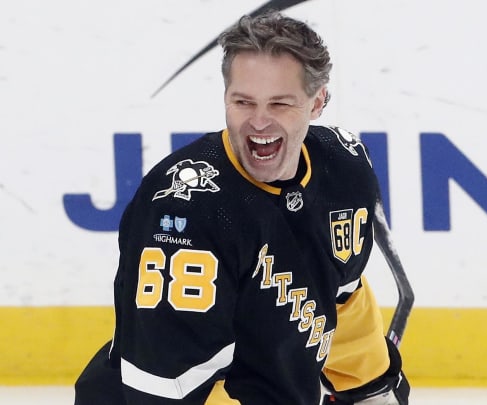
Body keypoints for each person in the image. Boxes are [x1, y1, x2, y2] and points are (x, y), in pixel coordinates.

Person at [74, 10, 410, 405]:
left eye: (281, 104)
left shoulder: (344, 168)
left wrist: (371, 388)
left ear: (318, 102)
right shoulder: (187, 211)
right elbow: (169, 387)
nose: (260, 122)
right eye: (243, 102)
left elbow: (343, 300)